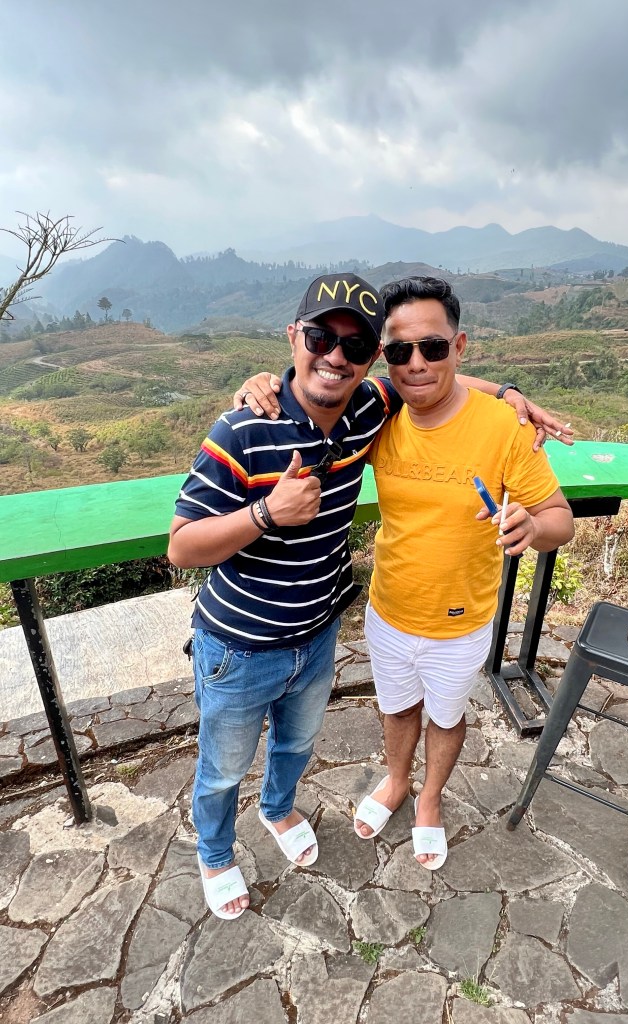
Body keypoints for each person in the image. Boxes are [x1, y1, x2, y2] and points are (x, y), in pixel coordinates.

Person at [170, 272, 571, 919]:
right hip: (241, 646)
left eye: (356, 346)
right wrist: (266, 513)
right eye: (320, 337)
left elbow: (433, 380)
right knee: (221, 768)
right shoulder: (244, 427)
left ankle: (279, 808)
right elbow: (181, 546)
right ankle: (215, 852)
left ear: (371, 360)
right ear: (293, 337)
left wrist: (510, 393)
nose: (336, 355)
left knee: (297, 745)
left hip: (318, 633)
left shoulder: (368, 408)